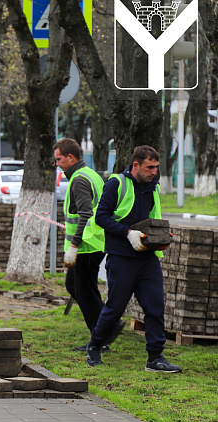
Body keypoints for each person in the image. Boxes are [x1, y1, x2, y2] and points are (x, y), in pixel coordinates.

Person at [87, 146, 181, 372]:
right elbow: (100, 217)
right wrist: (127, 233)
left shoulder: (153, 187)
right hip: (122, 257)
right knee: (116, 307)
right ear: (136, 165)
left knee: (155, 306)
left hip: (147, 258)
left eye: (156, 168)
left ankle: (155, 357)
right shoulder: (116, 184)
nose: (154, 172)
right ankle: (95, 345)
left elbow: (153, 218)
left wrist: (161, 236)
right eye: (150, 167)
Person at [53, 138, 111, 352]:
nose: (57, 163)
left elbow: (86, 213)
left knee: (85, 291)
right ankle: (105, 329)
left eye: (59, 159)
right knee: (75, 286)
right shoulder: (91, 173)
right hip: (93, 243)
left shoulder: (78, 179)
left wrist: (74, 245)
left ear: (70, 157)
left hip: (87, 246)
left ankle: (101, 337)